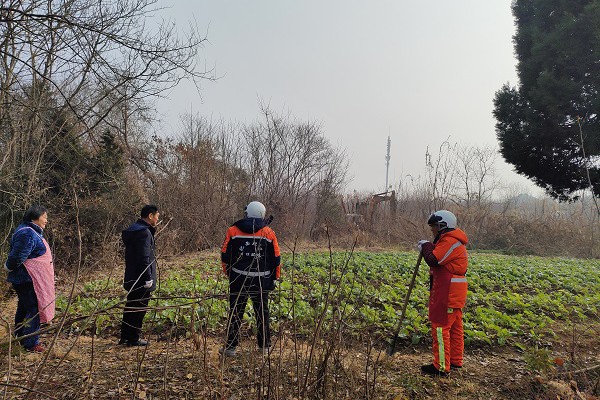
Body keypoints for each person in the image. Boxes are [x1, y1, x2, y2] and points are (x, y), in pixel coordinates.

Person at [220, 201, 281, 356]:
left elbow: (225, 256)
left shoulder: (233, 230)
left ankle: (230, 348)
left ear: (247, 213)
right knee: (262, 313)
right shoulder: (268, 233)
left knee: (235, 312)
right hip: (261, 281)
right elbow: (276, 258)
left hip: (237, 279)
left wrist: (230, 274)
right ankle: (264, 346)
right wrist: (275, 278)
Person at [417, 210, 468, 376]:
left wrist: (425, 246)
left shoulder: (450, 241)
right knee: (454, 328)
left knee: (440, 328)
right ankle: (454, 361)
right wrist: (429, 246)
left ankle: (440, 366)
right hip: (453, 291)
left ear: (443, 226)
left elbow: (434, 259)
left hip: (448, 293)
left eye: (434, 226)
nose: (432, 229)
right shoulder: (448, 241)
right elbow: (438, 256)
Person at [5, 205, 55, 352]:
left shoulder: (31, 231)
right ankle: (31, 343)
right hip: (27, 279)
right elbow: (17, 257)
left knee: (24, 307)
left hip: (27, 279)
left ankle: (20, 336)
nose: (46, 220)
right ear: (35, 217)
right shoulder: (27, 233)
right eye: (44, 217)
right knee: (34, 309)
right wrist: (8, 266)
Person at [119, 204, 159, 346]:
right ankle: (134, 338)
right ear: (150, 216)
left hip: (131, 276)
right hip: (141, 279)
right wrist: (148, 278)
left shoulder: (133, 230)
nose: (157, 219)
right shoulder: (144, 233)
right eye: (156, 216)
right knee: (139, 308)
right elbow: (144, 258)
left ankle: (125, 336)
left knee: (130, 306)